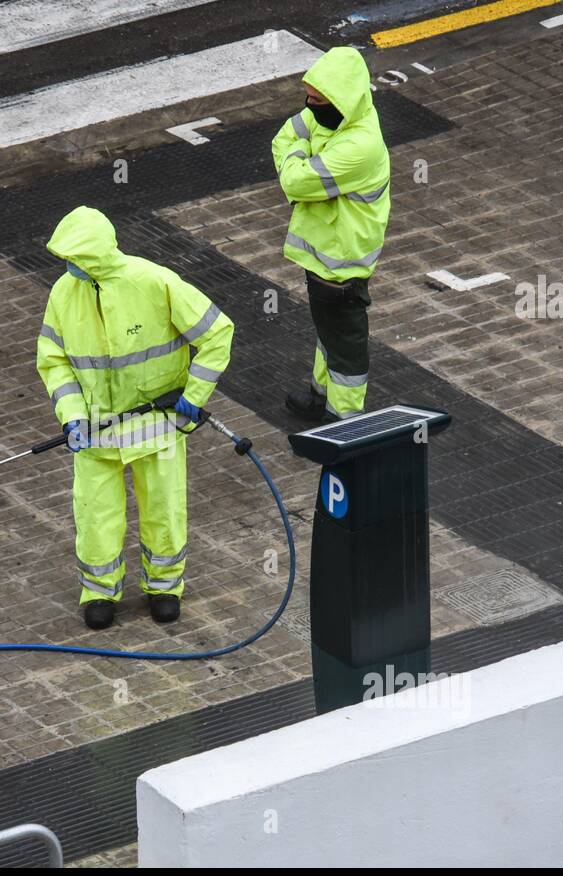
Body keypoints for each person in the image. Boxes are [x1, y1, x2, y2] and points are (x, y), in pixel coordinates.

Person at [36, 206, 234, 630]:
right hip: (94, 435)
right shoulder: (63, 294)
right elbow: (54, 362)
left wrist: (194, 397)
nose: (68, 267)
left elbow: (217, 333)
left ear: (94, 256)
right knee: (95, 517)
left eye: (75, 258)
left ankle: (164, 587)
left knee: (164, 509)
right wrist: (71, 417)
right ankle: (99, 593)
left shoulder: (153, 281)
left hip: (157, 426)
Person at [271, 47, 390, 423]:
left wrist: (297, 156)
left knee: (346, 348)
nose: (309, 105)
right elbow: (282, 138)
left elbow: (294, 178)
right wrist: (300, 155)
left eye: (316, 99)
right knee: (330, 332)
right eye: (308, 96)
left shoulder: (358, 146)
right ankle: (321, 395)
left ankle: (345, 421)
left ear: (339, 99)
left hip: (342, 263)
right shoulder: (335, 113)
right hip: (323, 254)